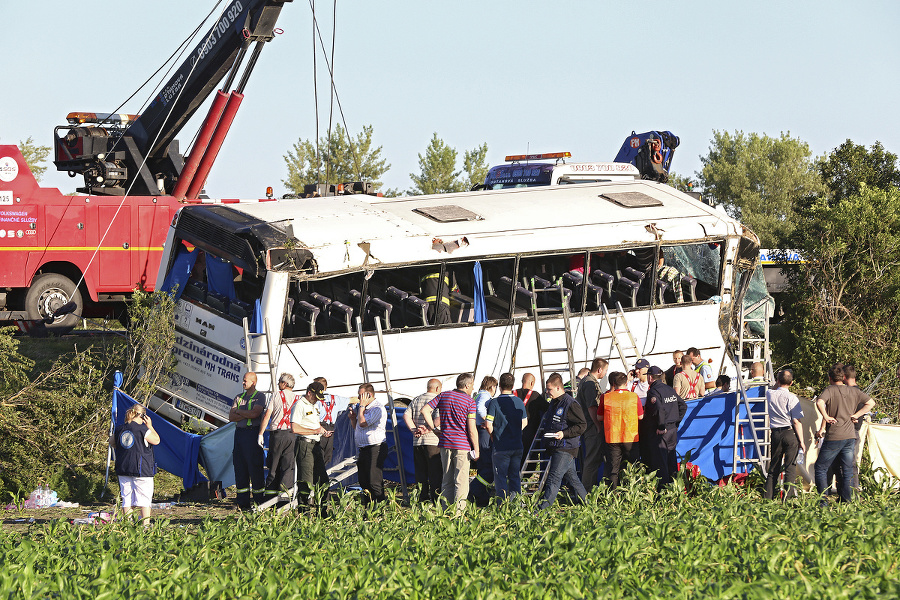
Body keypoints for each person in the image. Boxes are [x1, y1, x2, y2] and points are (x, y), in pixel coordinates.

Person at [814, 364, 874, 503]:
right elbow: (871, 402)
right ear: (843, 377)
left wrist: (826, 416)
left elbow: (819, 402)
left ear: (830, 378)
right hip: (850, 436)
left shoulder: (830, 390)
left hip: (835, 435)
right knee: (847, 470)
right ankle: (847, 500)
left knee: (820, 467)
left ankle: (823, 501)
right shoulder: (853, 391)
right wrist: (857, 415)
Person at [421, 373, 479, 512]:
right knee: (461, 481)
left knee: (446, 480)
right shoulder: (470, 402)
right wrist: (476, 449)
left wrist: (434, 429)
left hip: (445, 443)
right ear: (467, 385)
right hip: (462, 445)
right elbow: (471, 429)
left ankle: (445, 511)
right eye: (472, 385)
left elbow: (425, 410)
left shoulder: (444, 395)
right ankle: (459, 514)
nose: (472, 389)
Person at [537, 373, 588, 510]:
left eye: (549, 390)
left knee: (553, 479)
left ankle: (540, 511)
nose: (547, 393)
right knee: (572, 478)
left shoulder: (571, 404)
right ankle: (589, 505)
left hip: (566, 447)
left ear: (559, 388)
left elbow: (582, 425)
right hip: (556, 445)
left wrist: (564, 433)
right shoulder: (554, 402)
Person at [113, 404, 160, 525]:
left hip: (123, 467)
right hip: (141, 469)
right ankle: (145, 526)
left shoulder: (119, 429)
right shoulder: (142, 429)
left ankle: (127, 525)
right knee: (144, 499)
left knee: (127, 498)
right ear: (143, 415)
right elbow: (156, 440)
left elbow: (112, 442)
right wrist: (150, 426)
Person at [485, 373, 528, 502]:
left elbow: (488, 424)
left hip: (501, 446)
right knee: (515, 476)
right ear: (513, 385)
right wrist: (514, 431)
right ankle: (516, 505)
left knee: (501, 477)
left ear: (499, 386)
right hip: (517, 445)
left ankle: (502, 506)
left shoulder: (494, 402)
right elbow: (524, 422)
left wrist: (494, 435)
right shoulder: (518, 401)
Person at [597, 371, 643, 490]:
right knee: (633, 465)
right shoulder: (634, 396)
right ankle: (633, 491)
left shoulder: (606, 397)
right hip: (630, 436)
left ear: (613, 383)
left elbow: (599, 417)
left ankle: (614, 494)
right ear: (626, 382)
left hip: (612, 437)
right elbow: (640, 416)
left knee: (613, 468)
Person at [764, 369, 805, 501]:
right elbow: (796, 421)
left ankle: (768, 497)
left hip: (775, 433)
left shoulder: (770, 393)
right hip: (789, 432)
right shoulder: (792, 397)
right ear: (792, 383)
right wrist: (802, 441)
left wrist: (779, 379)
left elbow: (774, 387)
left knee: (774, 466)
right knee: (790, 467)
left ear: (777, 380)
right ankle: (787, 498)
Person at [258, 373, 300, 500]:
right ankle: (284, 499)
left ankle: (270, 499)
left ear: (284, 384)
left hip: (277, 435)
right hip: (292, 435)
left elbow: (267, 416)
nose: (278, 385)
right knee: (288, 467)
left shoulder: (276, 395)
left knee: (273, 466)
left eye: (279, 382)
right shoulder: (298, 398)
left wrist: (260, 433)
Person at [229, 371, 268, 510]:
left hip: (252, 435)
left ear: (253, 382)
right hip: (239, 434)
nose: (243, 383)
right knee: (240, 467)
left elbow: (255, 414)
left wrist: (239, 412)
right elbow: (231, 417)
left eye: (246, 380)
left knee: (255, 468)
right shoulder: (239, 397)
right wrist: (244, 415)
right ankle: (243, 503)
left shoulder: (260, 397)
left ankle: (259, 502)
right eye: (243, 380)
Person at [645, 366, 687, 487]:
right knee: (671, 458)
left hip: (662, 431)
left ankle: (663, 491)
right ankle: (675, 487)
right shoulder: (669, 389)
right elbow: (683, 406)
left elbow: (659, 409)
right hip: (672, 430)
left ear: (650, 377)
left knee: (661, 461)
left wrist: (661, 426)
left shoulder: (653, 391)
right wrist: (676, 423)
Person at [403, 379, 443, 502]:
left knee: (421, 473)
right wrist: (428, 429)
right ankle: (436, 499)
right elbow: (438, 418)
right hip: (433, 441)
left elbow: (406, 415)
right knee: (435, 473)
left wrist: (414, 430)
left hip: (417, 442)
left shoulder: (416, 399)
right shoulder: (438, 399)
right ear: (437, 389)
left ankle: (422, 498)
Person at [348, 383, 388, 504]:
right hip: (363, 449)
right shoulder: (363, 409)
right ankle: (368, 508)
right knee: (363, 481)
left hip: (376, 447)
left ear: (369, 395)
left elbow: (363, 423)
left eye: (361, 395)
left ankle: (380, 508)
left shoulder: (377, 408)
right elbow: (358, 428)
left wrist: (361, 408)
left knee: (373, 481)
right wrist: (352, 419)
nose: (359, 398)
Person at [291, 381, 328, 508]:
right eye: (315, 397)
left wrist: (322, 431)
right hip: (305, 445)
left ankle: (322, 512)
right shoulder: (299, 405)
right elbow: (294, 428)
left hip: (316, 444)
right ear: (309, 393)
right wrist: (314, 431)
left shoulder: (314, 405)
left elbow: (314, 424)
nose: (317, 400)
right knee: (306, 482)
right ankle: (304, 513)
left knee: (323, 481)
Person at [577, 357, 609, 493]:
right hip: (591, 425)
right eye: (605, 370)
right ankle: (587, 492)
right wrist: (598, 425)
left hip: (588, 424)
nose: (605, 373)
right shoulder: (590, 383)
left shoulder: (586, 380)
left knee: (594, 458)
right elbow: (591, 407)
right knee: (591, 459)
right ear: (600, 369)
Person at [470, 376, 498, 506]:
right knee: (487, 465)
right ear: (493, 387)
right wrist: (488, 421)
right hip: (483, 432)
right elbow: (480, 409)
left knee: (483, 466)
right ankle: (475, 490)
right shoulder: (485, 396)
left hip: (478, 430)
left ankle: (481, 497)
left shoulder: (477, 395)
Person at [313, 377, 350, 472]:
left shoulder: (314, 400)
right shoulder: (335, 399)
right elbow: (351, 400)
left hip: (318, 427)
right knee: (327, 456)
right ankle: (322, 478)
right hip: (331, 428)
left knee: (317, 455)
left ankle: (317, 479)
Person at [517, 373, 548, 462]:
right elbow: (548, 408)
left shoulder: (513, 394)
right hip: (530, 433)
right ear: (532, 383)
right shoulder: (535, 396)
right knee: (530, 457)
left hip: (514, 433)